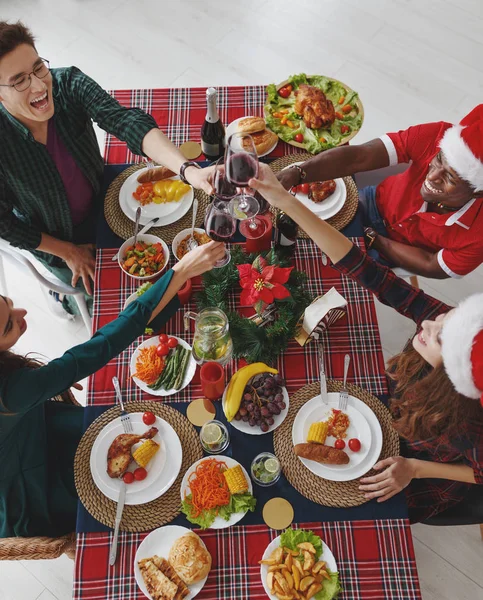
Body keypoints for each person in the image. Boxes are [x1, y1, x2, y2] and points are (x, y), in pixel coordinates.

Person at [251, 163, 483, 523]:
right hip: (391, 408)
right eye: (444, 317)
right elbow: (362, 267)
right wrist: (284, 200)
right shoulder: (451, 325)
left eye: (440, 335)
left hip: (419, 468)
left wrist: (416, 469)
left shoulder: (472, 423)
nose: (430, 323)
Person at [0, 241, 225, 539]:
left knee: (116, 431)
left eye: (8, 302)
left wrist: (48, 381)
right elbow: (103, 345)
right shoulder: (14, 393)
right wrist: (181, 271)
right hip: (31, 483)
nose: (24, 311)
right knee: (120, 505)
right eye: (8, 325)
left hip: (34, 422)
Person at [0, 20, 213, 315]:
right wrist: (67, 252)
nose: (39, 86)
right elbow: (5, 224)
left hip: (105, 198)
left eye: (38, 68)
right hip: (55, 239)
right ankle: (63, 297)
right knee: (97, 297)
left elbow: (125, 121)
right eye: (20, 80)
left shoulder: (68, 84)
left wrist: (189, 171)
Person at [277, 106, 483, 279]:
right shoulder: (439, 135)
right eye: (438, 160)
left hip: (397, 251)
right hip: (372, 202)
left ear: (477, 192)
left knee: (317, 275)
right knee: (289, 238)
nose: (431, 177)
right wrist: (298, 173)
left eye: (449, 178)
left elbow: (432, 265)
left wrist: (373, 239)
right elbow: (360, 156)